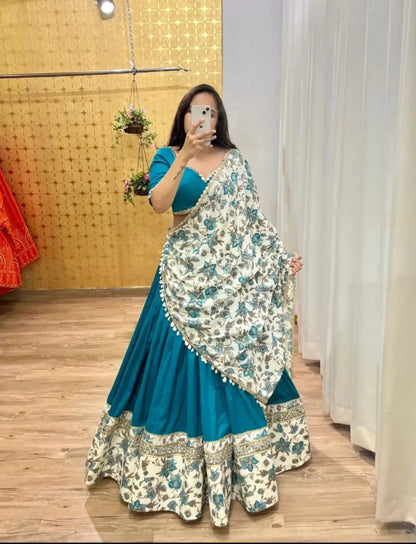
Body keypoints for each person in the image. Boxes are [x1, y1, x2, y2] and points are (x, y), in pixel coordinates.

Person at [85, 83, 310, 527]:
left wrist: (278, 258)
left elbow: (250, 221)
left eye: (210, 111)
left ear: (218, 118)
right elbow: (158, 204)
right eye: (194, 110)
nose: (202, 117)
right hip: (182, 281)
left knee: (241, 362)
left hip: (229, 283)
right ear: (183, 116)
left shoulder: (235, 161)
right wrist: (185, 154)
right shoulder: (167, 156)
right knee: (167, 372)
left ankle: (245, 462)